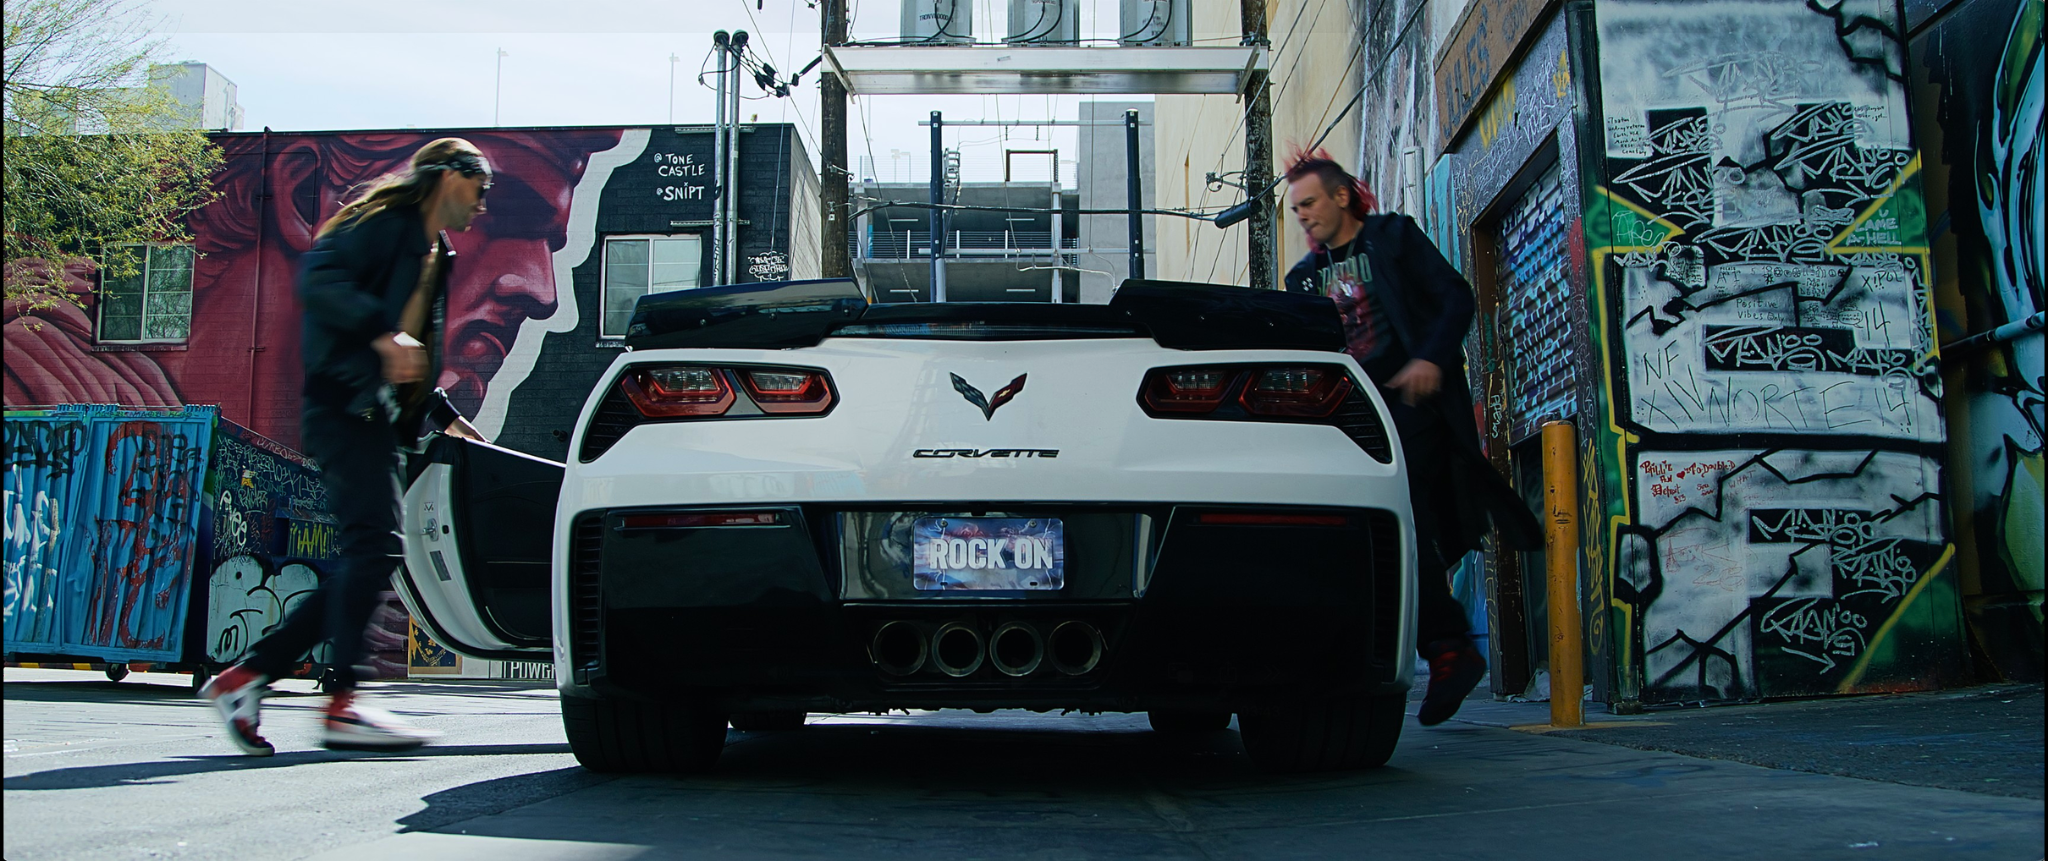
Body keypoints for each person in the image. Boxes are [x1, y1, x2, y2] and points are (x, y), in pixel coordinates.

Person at [199, 138, 492, 755]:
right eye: (480, 187)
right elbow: (319, 279)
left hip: (373, 414)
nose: (483, 203)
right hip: (344, 407)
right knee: (376, 548)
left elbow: (411, 350)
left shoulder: (435, 250)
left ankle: (251, 678)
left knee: (372, 552)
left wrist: (443, 416)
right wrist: (381, 333)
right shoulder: (384, 224)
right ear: (450, 177)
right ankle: (337, 704)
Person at [1281, 148, 1543, 726]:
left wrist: (1429, 359)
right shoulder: (1303, 280)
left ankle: (1448, 649)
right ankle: (1411, 653)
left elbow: (1456, 298)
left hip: (1412, 408)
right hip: (1348, 424)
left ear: (1342, 196)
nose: (1303, 216)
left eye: (1310, 203)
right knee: (1367, 537)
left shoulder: (1393, 239)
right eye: (1296, 209)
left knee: (1403, 520)